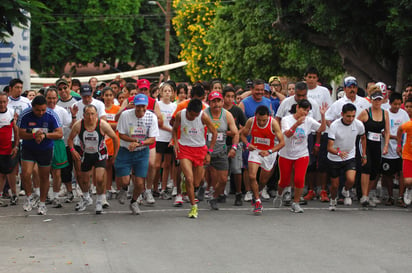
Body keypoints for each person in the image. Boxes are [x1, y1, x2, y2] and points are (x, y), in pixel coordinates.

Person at [273, 99, 327, 213]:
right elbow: (287, 134)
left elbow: (322, 128)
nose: (305, 113)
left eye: (307, 111)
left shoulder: (309, 120)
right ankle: (279, 195)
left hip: (301, 153)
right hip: (286, 153)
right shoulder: (286, 120)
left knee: (299, 179)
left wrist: (322, 116)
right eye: (303, 109)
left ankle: (296, 202)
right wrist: (297, 123)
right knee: (284, 180)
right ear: (297, 108)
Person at [67, 105, 118, 214]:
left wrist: (115, 155)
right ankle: (86, 198)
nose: (90, 117)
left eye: (92, 114)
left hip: (100, 154)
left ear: (96, 115)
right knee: (84, 180)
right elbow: (70, 139)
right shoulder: (78, 125)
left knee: (99, 178)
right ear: (84, 115)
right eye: (88, 114)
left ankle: (99, 201)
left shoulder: (102, 125)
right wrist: (72, 150)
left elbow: (115, 138)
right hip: (85, 154)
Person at [17, 95, 63, 215]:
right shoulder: (25, 115)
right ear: (32, 107)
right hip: (29, 148)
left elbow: (59, 133)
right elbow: (20, 134)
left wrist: (45, 135)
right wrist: (33, 135)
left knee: (44, 177)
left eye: (43, 109)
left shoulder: (51, 115)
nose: (41, 112)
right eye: (38, 110)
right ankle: (28, 198)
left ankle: (42, 203)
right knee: (26, 174)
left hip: (45, 149)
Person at [172, 99, 217, 218]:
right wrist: (175, 142)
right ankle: (193, 207)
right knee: (189, 178)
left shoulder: (203, 116)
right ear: (188, 110)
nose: (194, 117)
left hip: (200, 149)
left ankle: (188, 184)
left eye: (196, 115)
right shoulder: (180, 115)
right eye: (192, 115)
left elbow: (214, 132)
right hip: (184, 149)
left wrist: (209, 152)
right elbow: (174, 129)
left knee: (197, 182)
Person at [115, 94, 159, 215]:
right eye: (138, 106)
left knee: (140, 184)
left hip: (142, 151)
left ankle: (134, 201)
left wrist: (139, 143)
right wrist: (132, 142)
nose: (140, 109)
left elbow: (152, 139)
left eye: (143, 106)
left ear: (146, 106)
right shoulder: (125, 115)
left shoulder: (152, 117)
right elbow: (121, 134)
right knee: (124, 180)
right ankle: (124, 189)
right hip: (126, 150)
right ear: (134, 105)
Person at [240, 105, 284, 215]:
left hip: (269, 152)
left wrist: (269, 151)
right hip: (255, 150)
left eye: (264, 120)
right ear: (255, 116)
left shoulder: (273, 123)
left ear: (268, 117)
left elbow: (282, 143)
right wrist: (248, 144)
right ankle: (258, 201)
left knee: (263, 181)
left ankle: (257, 193)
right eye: (259, 120)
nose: (261, 122)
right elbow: (243, 135)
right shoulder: (251, 121)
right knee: (252, 176)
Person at [326, 103, 366, 211]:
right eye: (348, 116)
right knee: (334, 185)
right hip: (334, 158)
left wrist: (364, 154)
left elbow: (363, 138)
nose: (351, 119)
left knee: (351, 179)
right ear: (342, 114)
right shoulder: (334, 125)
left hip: (350, 156)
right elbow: (329, 147)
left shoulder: (358, 125)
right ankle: (333, 200)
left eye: (353, 116)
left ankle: (346, 190)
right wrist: (338, 153)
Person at [238, 79, 273, 202]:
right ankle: (248, 191)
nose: (259, 92)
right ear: (251, 90)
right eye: (257, 90)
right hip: (250, 140)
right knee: (248, 168)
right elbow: (241, 124)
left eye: (262, 90)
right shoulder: (244, 103)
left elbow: (270, 120)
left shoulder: (268, 101)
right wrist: (246, 142)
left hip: (266, 141)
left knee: (265, 168)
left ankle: (261, 188)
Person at [303, 66, 333, 203]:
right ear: (305, 78)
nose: (311, 80)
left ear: (317, 79)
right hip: (307, 131)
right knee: (309, 163)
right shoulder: (302, 90)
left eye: (314, 77)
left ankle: (323, 190)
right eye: (309, 77)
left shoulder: (324, 91)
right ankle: (310, 189)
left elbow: (328, 111)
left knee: (322, 163)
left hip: (322, 130)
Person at [205, 91, 239, 210]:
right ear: (209, 103)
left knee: (223, 180)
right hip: (204, 151)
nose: (216, 104)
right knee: (198, 179)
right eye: (213, 101)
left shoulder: (227, 115)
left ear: (222, 102)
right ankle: (200, 189)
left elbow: (235, 132)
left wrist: (234, 147)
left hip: (221, 151)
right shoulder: (204, 114)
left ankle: (214, 197)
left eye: (218, 101)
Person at [357, 88, 390, 208]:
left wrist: (386, 145)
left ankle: (368, 193)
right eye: (375, 100)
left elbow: (386, 131)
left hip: (377, 144)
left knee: (375, 169)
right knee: (367, 166)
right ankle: (364, 196)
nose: (377, 102)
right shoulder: (365, 112)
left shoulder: (385, 113)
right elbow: (356, 125)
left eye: (379, 100)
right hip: (366, 143)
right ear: (371, 100)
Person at [45, 88, 72, 208]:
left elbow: (69, 126)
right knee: (44, 172)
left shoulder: (62, 111)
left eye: (53, 98)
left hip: (58, 143)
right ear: (45, 98)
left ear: (57, 98)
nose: (51, 100)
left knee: (57, 172)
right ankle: (43, 196)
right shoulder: (41, 111)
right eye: (49, 98)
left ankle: (55, 197)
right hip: (43, 144)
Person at [380, 93, 410, 205]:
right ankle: (390, 196)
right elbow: (383, 132)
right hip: (388, 149)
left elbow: (406, 131)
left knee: (402, 172)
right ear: (390, 103)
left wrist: (400, 143)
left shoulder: (404, 115)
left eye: (399, 104)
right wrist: (393, 137)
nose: (397, 106)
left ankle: (401, 197)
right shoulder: (385, 113)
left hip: (401, 149)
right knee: (387, 174)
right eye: (395, 104)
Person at [56, 78, 81, 203]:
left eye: (65, 88)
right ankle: (69, 190)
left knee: (79, 166)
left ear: (69, 88)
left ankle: (81, 188)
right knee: (65, 168)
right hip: (63, 141)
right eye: (60, 89)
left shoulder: (77, 101)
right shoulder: (56, 104)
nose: (63, 91)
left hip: (76, 140)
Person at [222, 86, 247, 206]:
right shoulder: (219, 110)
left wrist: (237, 133)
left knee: (236, 169)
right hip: (221, 144)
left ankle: (238, 193)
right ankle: (220, 192)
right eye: (228, 96)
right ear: (223, 97)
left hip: (235, 143)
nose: (230, 99)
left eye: (232, 97)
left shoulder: (237, 110)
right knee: (222, 170)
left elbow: (246, 125)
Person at [153, 83, 177, 200]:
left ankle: (163, 188)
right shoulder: (158, 105)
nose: (167, 93)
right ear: (161, 93)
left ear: (172, 93)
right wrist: (171, 129)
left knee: (167, 164)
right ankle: (154, 187)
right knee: (157, 165)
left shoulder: (174, 106)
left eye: (169, 91)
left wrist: (173, 134)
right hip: (159, 137)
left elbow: (175, 121)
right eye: (165, 91)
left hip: (169, 138)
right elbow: (159, 123)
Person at [0, 92, 19, 206]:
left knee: (11, 172)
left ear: (7, 102)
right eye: (0, 102)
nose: (2, 104)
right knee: (1, 173)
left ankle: (14, 195)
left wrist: (16, 146)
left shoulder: (12, 113)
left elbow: (16, 131)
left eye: (3, 102)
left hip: (10, 146)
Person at [102, 87, 120, 203]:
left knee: (117, 166)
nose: (108, 97)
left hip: (115, 141)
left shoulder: (117, 109)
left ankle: (119, 189)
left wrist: (107, 125)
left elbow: (119, 124)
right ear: (103, 96)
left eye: (110, 95)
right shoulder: (100, 109)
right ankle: (107, 188)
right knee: (106, 166)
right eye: (106, 95)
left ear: (113, 97)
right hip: (104, 141)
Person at [397, 98, 412, 206]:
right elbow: (400, 130)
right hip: (408, 155)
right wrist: (399, 144)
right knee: (407, 181)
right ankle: (409, 189)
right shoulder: (409, 125)